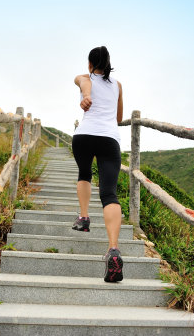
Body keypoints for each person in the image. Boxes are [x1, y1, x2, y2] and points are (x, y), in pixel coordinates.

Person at [72, 46, 124, 282]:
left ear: (90, 63)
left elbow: (85, 84)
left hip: (84, 135)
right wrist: (88, 95)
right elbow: (119, 118)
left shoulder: (84, 77)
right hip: (109, 138)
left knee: (84, 173)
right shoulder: (118, 86)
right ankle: (113, 249)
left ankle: (84, 218)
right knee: (110, 194)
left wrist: (86, 97)